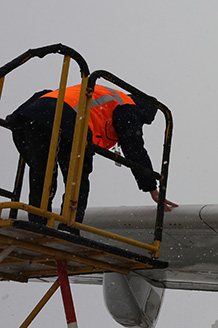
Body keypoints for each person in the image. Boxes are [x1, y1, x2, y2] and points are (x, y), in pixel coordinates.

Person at [6, 84, 178, 229]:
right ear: (144, 112)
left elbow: (43, 94)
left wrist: (15, 117)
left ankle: (38, 225)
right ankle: (68, 228)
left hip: (29, 120)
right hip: (70, 124)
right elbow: (134, 148)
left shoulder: (102, 95)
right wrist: (151, 187)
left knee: (42, 177)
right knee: (77, 179)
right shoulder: (127, 106)